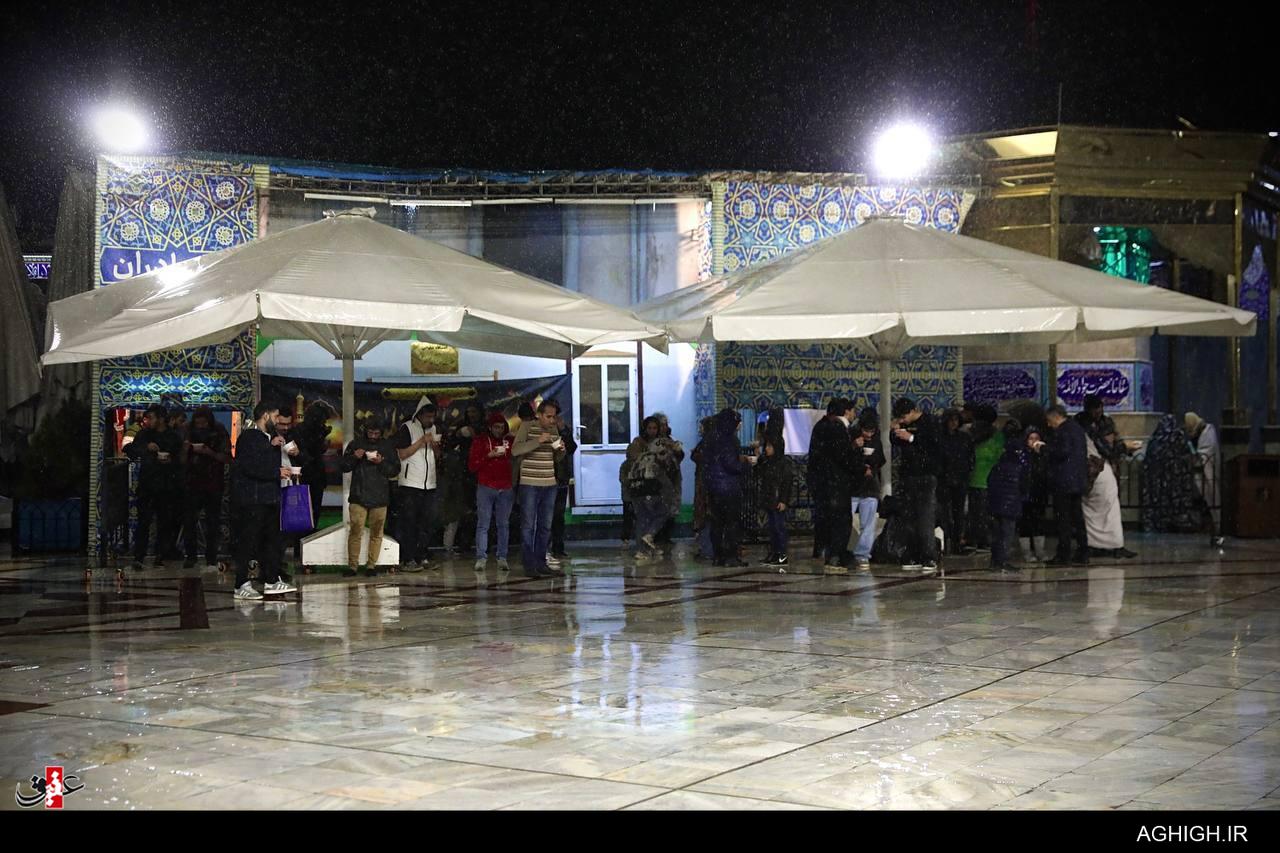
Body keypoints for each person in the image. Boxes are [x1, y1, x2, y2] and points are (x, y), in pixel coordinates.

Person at [230, 401, 297, 600]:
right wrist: (275, 472)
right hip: (253, 499)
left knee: (271, 541)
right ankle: (241, 583)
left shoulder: (268, 439)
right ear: (265, 416)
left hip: (269, 498)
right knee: (248, 541)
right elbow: (250, 466)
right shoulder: (250, 437)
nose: (277, 421)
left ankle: (271, 580)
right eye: (275, 417)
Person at [512, 400, 568, 578]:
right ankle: (529, 564)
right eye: (548, 416)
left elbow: (557, 458)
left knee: (545, 526)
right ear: (539, 415)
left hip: (549, 483)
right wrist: (538, 441)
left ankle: (541, 562)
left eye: (554, 417)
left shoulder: (553, 430)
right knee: (528, 525)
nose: (552, 420)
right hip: (529, 483)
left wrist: (561, 450)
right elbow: (515, 450)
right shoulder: (527, 426)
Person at [125, 404, 184, 570]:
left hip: (166, 486)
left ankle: (161, 555)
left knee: (165, 522)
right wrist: (146, 448)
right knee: (144, 521)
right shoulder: (144, 434)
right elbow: (129, 449)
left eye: (151, 418)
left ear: (160, 419)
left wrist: (171, 461)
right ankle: (139, 556)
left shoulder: (173, 437)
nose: (148, 421)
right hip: (147, 485)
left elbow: (180, 459)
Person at [340, 417, 400, 577]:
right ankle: (353, 566)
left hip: (380, 496)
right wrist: (355, 457)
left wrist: (381, 462)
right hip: (358, 495)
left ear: (381, 433)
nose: (373, 436)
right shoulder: (355, 444)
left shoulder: (387, 446)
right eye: (370, 433)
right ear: (365, 431)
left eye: (376, 433)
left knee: (377, 532)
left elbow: (395, 470)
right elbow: (344, 466)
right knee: (356, 530)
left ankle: (371, 565)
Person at [809, 398, 861, 572]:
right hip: (837, 485)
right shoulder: (837, 428)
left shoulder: (820, 426)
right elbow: (843, 456)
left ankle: (827, 553)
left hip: (822, 484)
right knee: (841, 521)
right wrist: (859, 466)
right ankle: (835, 558)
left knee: (827, 520)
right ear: (845, 411)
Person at [891, 397, 943, 572]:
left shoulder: (931, 423)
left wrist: (912, 438)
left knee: (925, 517)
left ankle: (928, 557)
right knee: (908, 516)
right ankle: (911, 554)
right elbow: (896, 442)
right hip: (908, 475)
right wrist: (895, 432)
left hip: (926, 475)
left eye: (904, 416)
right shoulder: (904, 424)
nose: (903, 420)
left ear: (913, 411)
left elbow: (935, 446)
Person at [181, 406, 231, 570]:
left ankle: (211, 556)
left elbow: (226, 457)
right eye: (198, 423)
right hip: (191, 482)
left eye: (204, 423)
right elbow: (180, 458)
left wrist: (209, 452)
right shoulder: (187, 430)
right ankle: (191, 556)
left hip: (212, 482)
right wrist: (186, 448)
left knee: (212, 522)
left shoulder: (219, 431)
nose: (201, 426)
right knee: (189, 521)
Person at [394, 403, 442, 572]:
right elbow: (402, 454)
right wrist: (421, 441)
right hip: (410, 483)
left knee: (426, 523)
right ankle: (407, 558)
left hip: (429, 483)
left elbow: (437, 456)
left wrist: (435, 446)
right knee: (410, 522)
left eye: (433, 417)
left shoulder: (433, 428)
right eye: (428, 416)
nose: (431, 420)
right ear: (419, 415)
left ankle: (422, 555)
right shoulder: (407, 428)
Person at [1140, 414, 1205, 532]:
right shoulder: (1178, 437)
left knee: (1159, 501)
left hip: (1157, 480)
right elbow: (1188, 455)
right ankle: (1176, 523)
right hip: (1175, 479)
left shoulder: (1155, 439)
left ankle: (1158, 523)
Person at [469, 411, 516, 572]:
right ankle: (481, 558)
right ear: (490, 427)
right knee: (483, 524)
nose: (499, 430)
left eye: (502, 427)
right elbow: (472, 466)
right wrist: (488, 456)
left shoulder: (510, 441)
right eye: (496, 427)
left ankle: (502, 557)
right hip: (486, 486)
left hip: (505, 487)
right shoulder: (480, 441)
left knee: (503, 524)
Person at [1044, 404, 1089, 567]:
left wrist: (1044, 448)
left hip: (1063, 482)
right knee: (1077, 518)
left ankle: (1064, 554)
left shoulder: (1063, 431)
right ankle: (1083, 552)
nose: (1049, 424)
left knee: (1063, 519)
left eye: (1049, 420)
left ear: (1056, 417)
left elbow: (1062, 452)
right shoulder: (1077, 429)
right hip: (1077, 481)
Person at [986, 420, 1032, 572]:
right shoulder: (1021, 462)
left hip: (997, 501)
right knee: (1007, 532)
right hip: (1011, 502)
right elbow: (1024, 482)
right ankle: (1003, 561)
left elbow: (990, 480)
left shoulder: (1000, 461)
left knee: (998, 532)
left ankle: (995, 561)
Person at [1084, 420, 1135, 559]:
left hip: (1093, 478)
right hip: (1102, 477)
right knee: (1111, 515)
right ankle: (1114, 545)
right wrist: (1124, 447)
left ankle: (1095, 545)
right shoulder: (1097, 443)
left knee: (1092, 516)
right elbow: (1109, 451)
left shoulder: (1086, 439)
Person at [705, 408, 749, 567]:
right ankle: (731, 556)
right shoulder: (729, 439)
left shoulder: (711, 437)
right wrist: (745, 465)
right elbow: (731, 464)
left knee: (717, 523)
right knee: (731, 522)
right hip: (729, 487)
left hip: (714, 486)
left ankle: (718, 556)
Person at [628, 416, 675, 560]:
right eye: (650, 428)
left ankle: (646, 545)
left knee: (651, 515)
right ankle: (643, 547)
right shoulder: (639, 443)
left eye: (655, 428)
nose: (652, 431)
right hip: (643, 484)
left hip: (653, 485)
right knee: (647, 516)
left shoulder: (660, 443)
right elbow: (634, 459)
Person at [851, 409, 886, 570]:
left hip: (870, 487)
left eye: (872, 431)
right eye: (866, 430)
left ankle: (863, 554)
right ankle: (842, 551)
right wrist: (855, 448)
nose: (869, 434)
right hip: (853, 487)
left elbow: (881, 460)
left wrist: (871, 465)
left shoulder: (876, 441)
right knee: (844, 521)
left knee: (868, 524)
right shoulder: (851, 437)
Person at [965, 405, 1002, 554]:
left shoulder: (969, 433)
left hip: (971, 478)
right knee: (986, 513)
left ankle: (973, 539)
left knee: (974, 512)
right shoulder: (997, 436)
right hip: (989, 479)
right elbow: (999, 456)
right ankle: (985, 541)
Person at [938, 407, 975, 556]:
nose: (953, 423)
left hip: (960, 479)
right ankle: (947, 540)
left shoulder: (964, 438)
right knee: (945, 512)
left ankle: (957, 541)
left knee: (958, 513)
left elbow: (970, 457)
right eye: (951, 420)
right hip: (945, 480)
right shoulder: (940, 438)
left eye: (956, 420)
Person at [297, 401, 335, 540]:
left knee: (305, 512)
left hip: (307, 474)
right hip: (310, 474)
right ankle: (308, 538)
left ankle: (303, 539)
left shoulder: (301, 429)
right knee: (312, 510)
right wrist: (322, 439)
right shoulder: (313, 431)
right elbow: (313, 451)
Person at [755, 434, 793, 567]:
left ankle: (781, 555)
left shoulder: (783, 463)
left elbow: (786, 483)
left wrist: (783, 500)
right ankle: (774, 553)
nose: (767, 449)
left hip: (777, 500)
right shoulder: (769, 462)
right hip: (770, 499)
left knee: (778, 527)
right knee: (772, 528)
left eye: (770, 446)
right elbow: (760, 473)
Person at [651, 412, 684, 551]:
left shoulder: (670, 439)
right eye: (662, 425)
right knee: (659, 508)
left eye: (666, 425)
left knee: (671, 508)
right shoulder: (653, 441)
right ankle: (656, 536)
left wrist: (677, 450)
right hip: (658, 479)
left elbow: (679, 456)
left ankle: (666, 536)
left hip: (672, 478)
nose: (664, 427)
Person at [550, 412, 578, 560]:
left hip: (561, 478)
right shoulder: (542, 431)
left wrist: (563, 430)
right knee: (547, 515)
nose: (553, 420)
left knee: (559, 515)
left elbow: (572, 448)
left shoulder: (564, 430)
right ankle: (544, 548)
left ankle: (558, 548)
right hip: (547, 477)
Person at [1184, 411, 1220, 520]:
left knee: (1213, 495)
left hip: (1208, 470)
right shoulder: (1198, 433)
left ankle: (1216, 520)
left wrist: (1197, 456)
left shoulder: (1207, 433)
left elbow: (1207, 452)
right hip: (1200, 472)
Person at [690, 416, 716, 561]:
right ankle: (707, 549)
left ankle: (707, 550)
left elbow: (698, 457)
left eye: (701, 427)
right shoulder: (710, 442)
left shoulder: (707, 443)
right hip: (705, 484)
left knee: (705, 518)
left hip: (705, 486)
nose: (699, 430)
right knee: (706, 517)